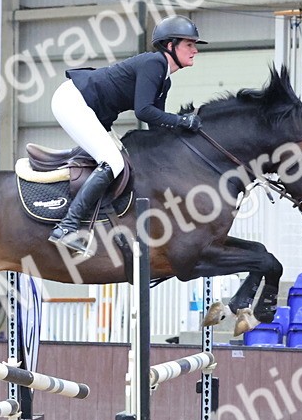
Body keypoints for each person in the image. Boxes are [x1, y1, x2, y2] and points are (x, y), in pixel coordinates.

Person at [47, 15, 206, 255]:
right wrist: (182, 120)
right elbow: (143, 111)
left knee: (123, 161)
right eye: (189, 44)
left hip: (91, 109)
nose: (195, 50)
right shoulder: (155, 63)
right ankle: (67, 227)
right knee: (112, 161)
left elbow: (156, 126)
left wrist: (185, 141)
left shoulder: (165, 81)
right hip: (73, 100)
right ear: (170, 46)